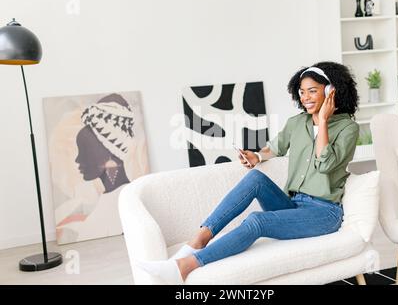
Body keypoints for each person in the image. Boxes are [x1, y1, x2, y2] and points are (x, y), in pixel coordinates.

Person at [136, 61, 360, 284]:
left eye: (312, 91)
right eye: (302, 92)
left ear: (331, 91)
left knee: (257, 221)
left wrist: (322, 121)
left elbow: (325, 164)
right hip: (292, 203)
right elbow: (274, 147)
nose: (305, 97)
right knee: (255, 178)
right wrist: (257, 156)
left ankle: (184, 267)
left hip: (323, 212)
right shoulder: (296, 123)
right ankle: (197, 242)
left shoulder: (348, 128)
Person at [58, 93, 135, 242]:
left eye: (85, 151)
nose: (78, 159)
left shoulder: (119, 204)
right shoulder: (107, 203)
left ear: (110, 152)